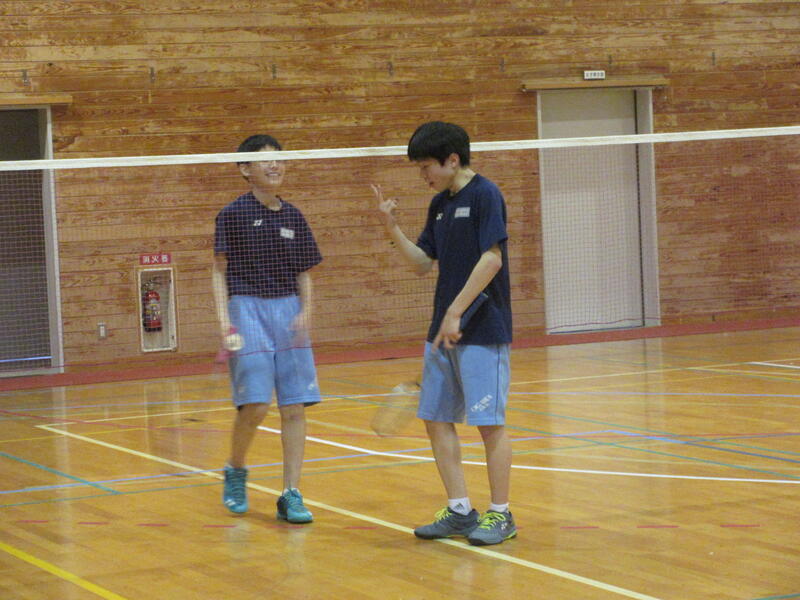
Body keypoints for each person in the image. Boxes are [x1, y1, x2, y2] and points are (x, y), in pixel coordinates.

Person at [371, 121, 515, 546]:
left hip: (482, 327)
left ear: (453, 160)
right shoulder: (439, 204)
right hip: (443, 330)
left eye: (426, 166)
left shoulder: (486, 194)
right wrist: (391, 227)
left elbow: (492, 259)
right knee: (436, 419)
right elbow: (422, 262)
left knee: (488, 424)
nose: (423, 175)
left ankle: (501, 514)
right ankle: (459, 510)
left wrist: (456, 311)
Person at [212, 134, 322, 523]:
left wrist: (306, 311)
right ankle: (235, 468)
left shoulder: (294, 216)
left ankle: (291, 493)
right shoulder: (232, 214)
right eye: (265, 160)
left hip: (288, 309)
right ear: (245, 169)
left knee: (294, 406)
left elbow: (305, 272)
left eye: (279, 159)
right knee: (256, 404)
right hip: (247, 307)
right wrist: (224, 321)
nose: (275, 166)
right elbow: (218, 271)